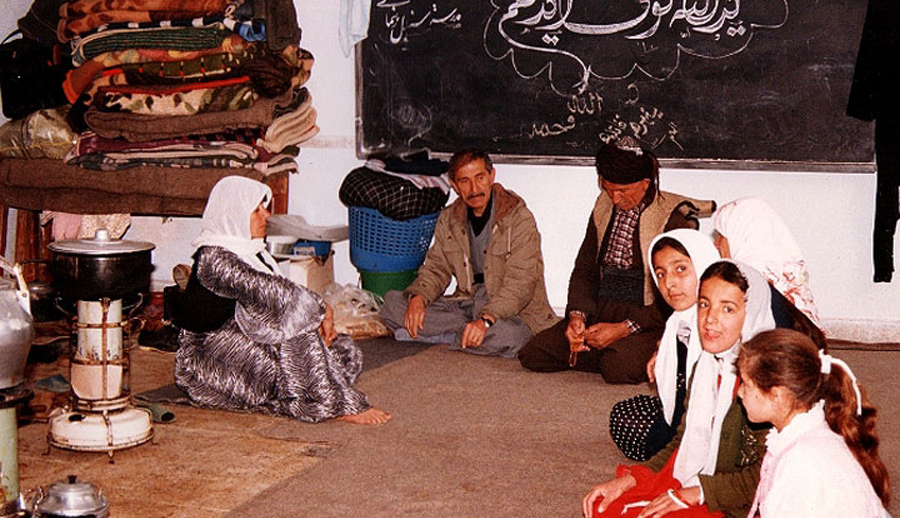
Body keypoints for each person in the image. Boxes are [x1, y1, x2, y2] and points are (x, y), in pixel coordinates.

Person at [582, 260, 774, 518]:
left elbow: (765, 478)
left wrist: (697, 493)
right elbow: (681, 441)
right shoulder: (706, 365)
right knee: (604, 511)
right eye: (704, 304)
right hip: (697, 479)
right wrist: (634, 479)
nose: (710, 319)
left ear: (750, 314)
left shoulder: (764, 384)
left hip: (735, 503)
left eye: (727, 309)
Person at [671, 330, 900, 518]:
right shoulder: (799, 435)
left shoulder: (801, 461)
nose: (739, 393)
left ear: (777, 396)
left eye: (746, 384)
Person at [171, 176, 390, 425]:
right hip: (208, 360)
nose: (266, 216)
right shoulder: (215, 259)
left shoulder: (251, 252)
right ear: (233, 214)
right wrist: (323, 309)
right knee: (296, 326)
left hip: (240, 336)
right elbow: (278, 296)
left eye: (264, 209)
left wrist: (317, 318)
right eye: (257, 210)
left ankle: (305, 388)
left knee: (345, 349)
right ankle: (331, 404)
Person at [519, 136, 715, 383]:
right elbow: (585, 269)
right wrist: (578, 317)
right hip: (602, 308)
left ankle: (625, 352)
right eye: (608, 189)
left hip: (646, 318)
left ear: (644, 184)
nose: (615, 199)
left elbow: (674, 295)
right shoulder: (603, 207)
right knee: (534, 353)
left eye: (622, 191)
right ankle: (601, 349)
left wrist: (623, 329)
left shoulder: (671, 218)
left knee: (616, 367)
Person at [380, 149, 557, 358]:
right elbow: (437, 268)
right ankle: (466, 333)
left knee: (515, 337)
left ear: (491, 176)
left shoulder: (519, 218)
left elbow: (521, 284)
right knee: (392, 304)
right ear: (454, 185)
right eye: (465, 181)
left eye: (480, 178)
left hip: (509, 310)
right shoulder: (449, 218)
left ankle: (449, 337)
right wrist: (419, 297)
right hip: (467, 303)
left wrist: (486, 319)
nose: (474, 189)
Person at [609, 229, 721, 461]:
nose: (669, 283)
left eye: (681, 269)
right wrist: (664, 351)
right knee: (624, 414)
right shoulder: (678, 322)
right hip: (682, 415)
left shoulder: (719, 325)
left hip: (717, 427)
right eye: (660, 274)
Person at [713, 197, 820, 324]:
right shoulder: (786, 291)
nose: (716, 244)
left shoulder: (753, 291)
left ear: (740, 236)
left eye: (721, 235)